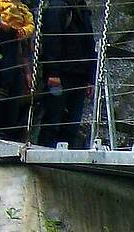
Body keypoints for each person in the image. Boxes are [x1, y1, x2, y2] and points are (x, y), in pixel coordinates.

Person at [33, 0, 93, 147]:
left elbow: (90, 44)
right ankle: (46, 155)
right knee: (53, 121)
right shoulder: (58, 7)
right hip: (61, 74)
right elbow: (52, 41)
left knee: (71, 126)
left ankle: (63, 158)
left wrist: (90, 77)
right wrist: (53, 73)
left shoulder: (82, 9)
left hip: (79, 75)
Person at [0, 0, 33, 140]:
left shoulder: (23, 8)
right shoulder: (1, 4)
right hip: (0, 39)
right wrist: (0, 24)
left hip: (15, 39)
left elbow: (30, 25)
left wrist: (23, 31)